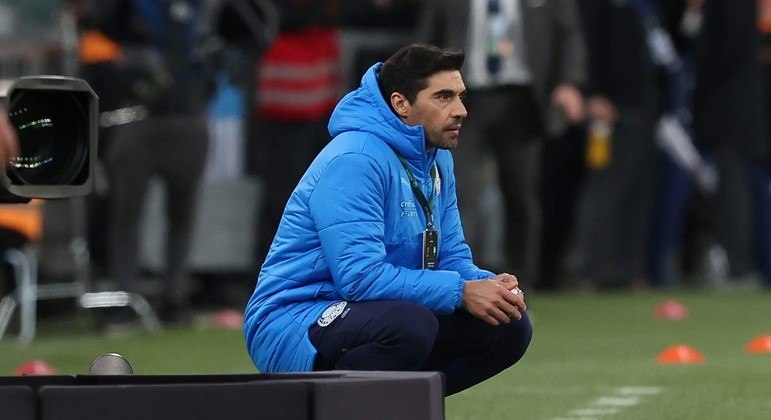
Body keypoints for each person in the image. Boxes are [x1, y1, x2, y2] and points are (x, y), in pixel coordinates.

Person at [244, 44, 532, 396]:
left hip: (377, 312)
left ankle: (401, 406)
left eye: (460, 96)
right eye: (443, 97)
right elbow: (359, 278)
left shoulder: (436, 158)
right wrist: (462, 291)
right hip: (296, 318)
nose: (461, 110)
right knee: (409, 326)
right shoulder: (356, 159)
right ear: (401, 104)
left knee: (508, 326)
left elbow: (452, 258)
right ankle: (333, 409)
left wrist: (490, 284)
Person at [420, 0, 587, 288]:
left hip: (522, 102)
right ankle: (462, 286)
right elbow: (427, 40)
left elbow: (570, 34)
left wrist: (569, 82)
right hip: (463, 98)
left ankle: (518, 291)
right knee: (459, 195)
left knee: (521, 198)